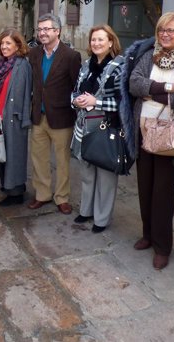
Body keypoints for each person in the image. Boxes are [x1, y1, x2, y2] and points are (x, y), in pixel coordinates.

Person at [119, 11, 174, 270]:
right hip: (143, 130)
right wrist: (165, 89)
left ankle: (163, 246)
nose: (165, 35)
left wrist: (151, 91)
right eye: (161, 30)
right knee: (144, 187)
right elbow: (134, 83)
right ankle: (147, 234)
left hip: (171, 135)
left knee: (163, 192)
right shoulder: (148, 55)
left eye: (171, 31)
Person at [71, 25, 124, 233]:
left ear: (111, 42)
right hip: (84, 124)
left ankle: (101, 219)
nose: (96, 43)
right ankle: (86, 210)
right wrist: (76, 101)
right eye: (94, 40)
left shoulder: (120, 67)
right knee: (86, 171)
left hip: (106, 126)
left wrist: (97, 102)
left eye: (101, 39)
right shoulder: (85, 65)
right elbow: (74, 91)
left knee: (105, 175)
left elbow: (123, 102)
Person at [28, 13, 82, 214]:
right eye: (40, 29)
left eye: (46, 29)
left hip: (61, 117)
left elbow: (76, 86)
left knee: (62, 161)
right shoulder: (33, 54)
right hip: (38, 116)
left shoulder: (70, 56)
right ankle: (42, 194)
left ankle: (62, 197)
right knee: (38, 159)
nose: (42, 33)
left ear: (57, 31)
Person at [0, 28, 32, 206]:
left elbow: (28, 93)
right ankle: (7, 186)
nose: (4, 47)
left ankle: (16, 193)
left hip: (14, 118)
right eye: (2, 43)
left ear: (17, 45)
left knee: (14, 157)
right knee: (1, 155)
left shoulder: (23, 65)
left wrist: (24, 119)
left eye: (8, 43)